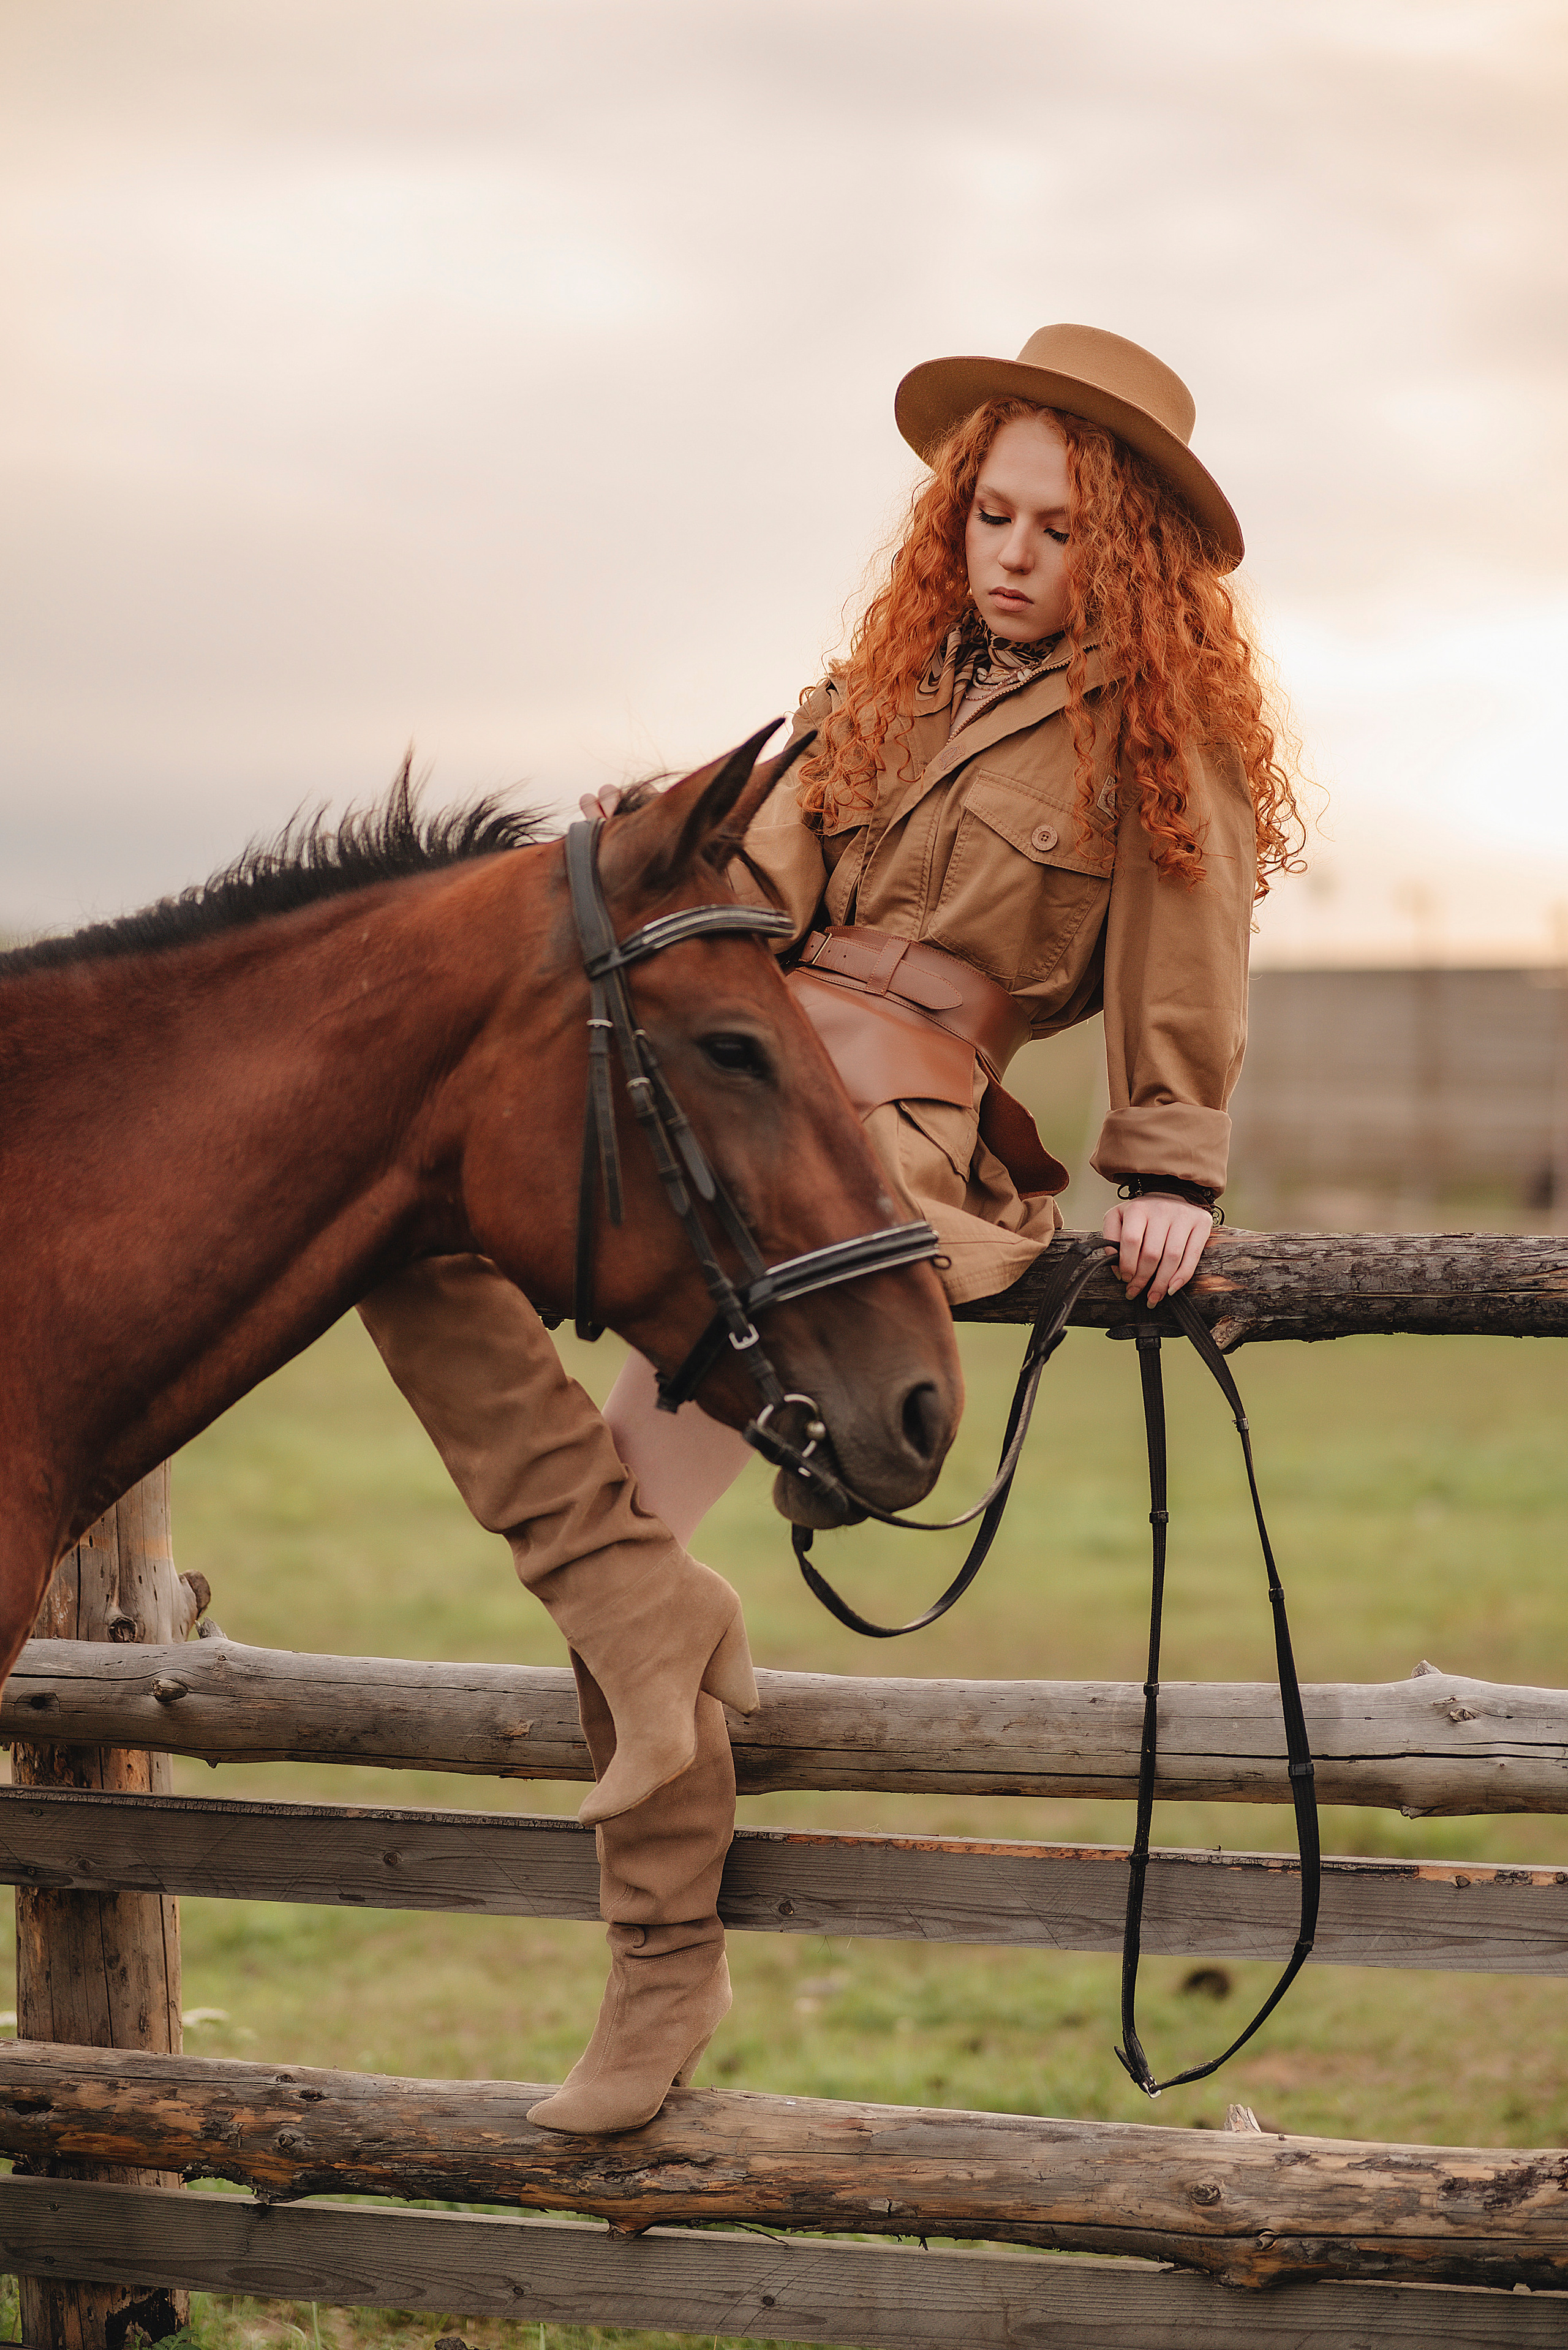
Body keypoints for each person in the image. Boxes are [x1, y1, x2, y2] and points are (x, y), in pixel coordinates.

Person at [365, 322, 1302, 2137]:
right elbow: (740, 895)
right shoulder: (875, 693)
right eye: (990, 518)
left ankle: (657, 1957)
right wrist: (653, 831)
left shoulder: (1163, 746)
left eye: (1056, 529)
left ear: (1126, 550)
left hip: (892, 1157)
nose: (1011, 556)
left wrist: (1169, 1174)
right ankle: (657, 1627)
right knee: (413, 1214)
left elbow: (1189, 984)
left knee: (624, 1533)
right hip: (754, 1089)